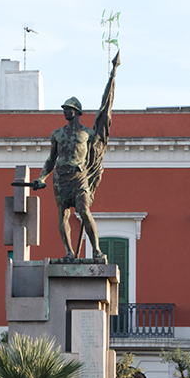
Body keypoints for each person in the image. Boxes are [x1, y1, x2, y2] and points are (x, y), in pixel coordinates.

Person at [33, 53, 120, 261]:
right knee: (63, 213)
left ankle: (97, 250)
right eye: (64, 109)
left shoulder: (88, 134)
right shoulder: (57, 134)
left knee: (83, 209)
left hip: (79, 176)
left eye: (69, 109)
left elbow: (100, 134)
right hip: (60, 178)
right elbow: (50, 159)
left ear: (77, 112)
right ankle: (69, 252)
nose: (65, 111)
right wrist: (42, 178)